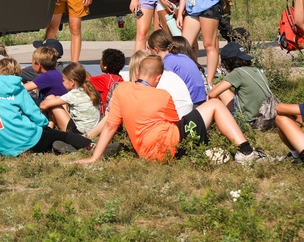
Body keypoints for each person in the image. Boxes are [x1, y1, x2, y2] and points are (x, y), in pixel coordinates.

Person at [79, 55, 266, 165]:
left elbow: (111, 126)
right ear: (158, 78)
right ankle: (246, 151)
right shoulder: (162, 95)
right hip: (171, 145)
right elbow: (175, 124)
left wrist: (95, 157)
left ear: (137, 73)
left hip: (147, 153)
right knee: (215, 105)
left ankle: (212, 152)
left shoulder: (121, 89)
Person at [0, 58, 96, 161]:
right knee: (62, 136)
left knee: (47, 142)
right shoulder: (18, 88)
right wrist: (44, 123)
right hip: (28, 139)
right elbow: (35, 116)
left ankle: (56, 148)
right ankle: (92, 146)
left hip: (1, 147)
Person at [147, 29, 206, 105]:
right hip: (201, 100)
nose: (147, 52)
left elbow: (164, 90)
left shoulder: (167, 64)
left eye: (149, 49)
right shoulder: (181, 57)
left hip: (191, 104)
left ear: (155, 50)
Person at [40, 62, 101, 135]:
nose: (62, 83)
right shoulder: (89, 90)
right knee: (57, 99)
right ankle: (50, 127)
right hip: (92, 130)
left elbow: (43, 105)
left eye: (64, 80)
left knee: (51, 99)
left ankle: (49, 128)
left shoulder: (74, 94)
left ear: (72, 82)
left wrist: (45, 110)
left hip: (77, 133)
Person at [89, 48, 125, 115]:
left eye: (101, 59)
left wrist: (77, 66)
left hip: (105, 113)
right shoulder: (120, 79)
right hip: (116, 112)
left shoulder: (104, 79)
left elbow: (87, 80)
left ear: (105, 66)